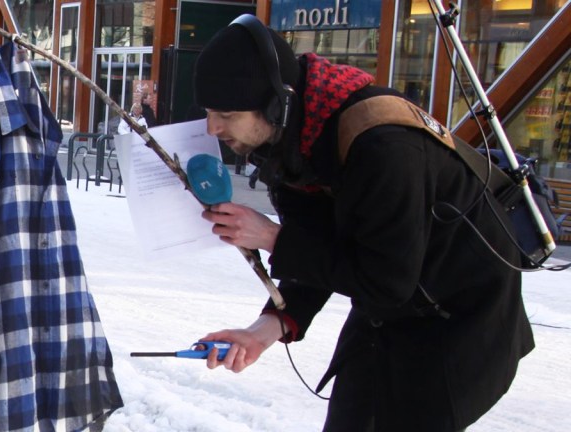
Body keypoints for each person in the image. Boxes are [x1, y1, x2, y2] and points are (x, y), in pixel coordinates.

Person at [193, 15, 534, 432]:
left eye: (225, 113)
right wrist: (265, 329)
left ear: (275, 103)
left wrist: (271, 238)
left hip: (460, 326)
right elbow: (321, 245)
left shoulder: (384, 149)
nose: (213, 127)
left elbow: (386, 280)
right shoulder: (298, 135)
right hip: (388, 314)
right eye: (209, 112)